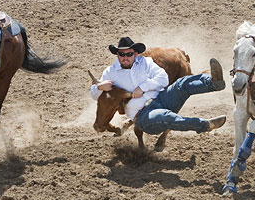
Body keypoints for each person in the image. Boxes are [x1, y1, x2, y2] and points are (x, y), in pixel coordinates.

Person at [90, 36, 227, 137]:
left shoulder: (145, 63)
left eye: (129, 54)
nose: (125, 57)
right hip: (144, 115)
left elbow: (163, 78)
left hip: (163, 98)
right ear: (117, 55)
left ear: (135, 54)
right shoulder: (111, 73)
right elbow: (96, 96)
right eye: (122, 54)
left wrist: (143, 87)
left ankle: (214, 83)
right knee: (167, 117)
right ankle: (205, 125)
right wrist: (100, 87)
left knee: (182, 83)